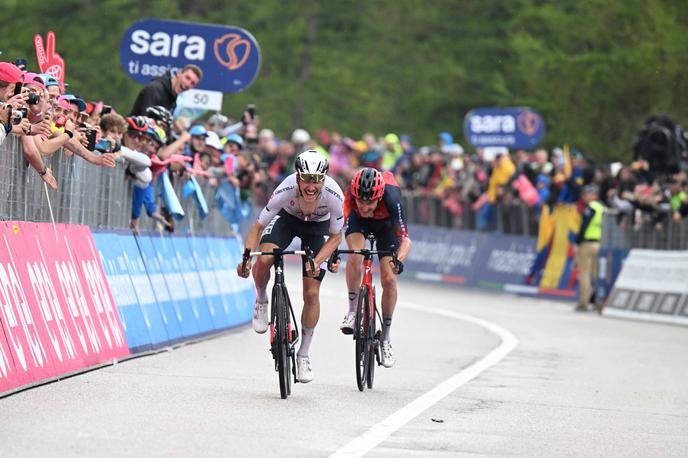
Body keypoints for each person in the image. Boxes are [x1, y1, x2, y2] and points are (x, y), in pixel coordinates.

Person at [236, 150, 344, 383]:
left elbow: (336, 237)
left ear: (324, 179)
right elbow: (257, 227)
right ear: (297, 177)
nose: (311, 186)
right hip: (287, 220)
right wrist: (246, 258)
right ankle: (262, 298)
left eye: (316, 180)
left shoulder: (334, 195)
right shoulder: (285, 190)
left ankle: (303, 355)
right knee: (264, 259)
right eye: (306, 178)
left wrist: (317, 262)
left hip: (318, 229)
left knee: (312, 292)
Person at [339, 167, 411, 368]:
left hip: (386, 227)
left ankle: (386, 338)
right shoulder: (351, 197)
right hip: (359, 224)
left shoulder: (392, 196)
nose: (364, 205)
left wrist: (399, 259)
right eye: (360, 200)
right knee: (355, 254)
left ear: (379, 197)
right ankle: (353, 311)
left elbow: (405, 240)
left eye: (369, 202)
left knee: (389, 279)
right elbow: (336, 229)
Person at [574, 184, 605, 312]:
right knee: (597, 274)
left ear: (593, 195)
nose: (585, 196)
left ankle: (584, 302)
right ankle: (599, 300)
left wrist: (577, 240)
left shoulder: (590, 208)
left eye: (587, 194)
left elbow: (584, 226)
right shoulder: (602, 208)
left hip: (587, 243)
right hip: (598, 242)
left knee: (585, 274)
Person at [129, 64, 202, 116]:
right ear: (179, 73)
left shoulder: (173, 99)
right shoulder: (154, 90)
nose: (188, 84)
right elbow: (144, 123)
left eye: (192, 83)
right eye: (187, 78)